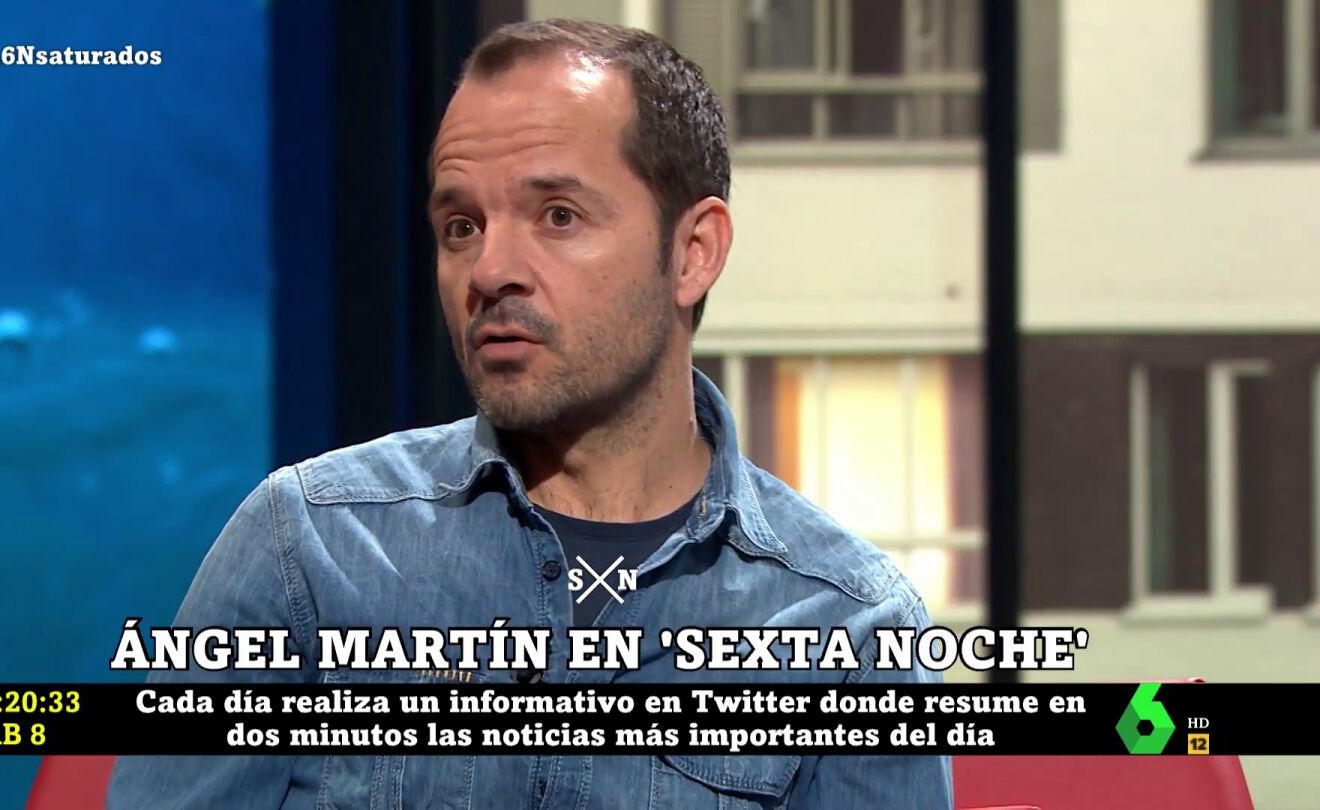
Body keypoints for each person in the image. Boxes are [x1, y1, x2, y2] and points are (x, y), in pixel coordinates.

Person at [109, 18, 951, 809]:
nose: (489, 271)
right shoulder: (308, 547)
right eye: (461, 226)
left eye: (558, 216)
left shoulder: (850, 629)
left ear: (693, 253)